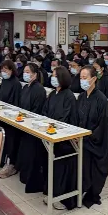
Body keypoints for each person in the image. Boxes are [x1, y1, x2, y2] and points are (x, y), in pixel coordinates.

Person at [68, 66, 108, 208]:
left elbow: (102, 127)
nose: (82, 81)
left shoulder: (101, 100)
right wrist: (75, 135)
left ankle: (83, 190)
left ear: (93, 79)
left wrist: (86, 138)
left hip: (94, 142)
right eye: (80, 78)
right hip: (80, 138)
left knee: (84, 155)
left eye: (85, 78)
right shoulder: (81, 96)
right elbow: (74, 118)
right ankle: (69, 190)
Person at [33, 67, 77, 199]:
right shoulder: (52, 94)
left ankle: (57, 190)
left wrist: (52, 126)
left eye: (55, 76)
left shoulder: (69, 96)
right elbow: (44, 111)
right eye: (52, 75)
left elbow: (66, 118)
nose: (52, 78)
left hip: (62, 137)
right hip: (48, 132)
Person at [14, 63, 49, 190]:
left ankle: (30, 175)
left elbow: (37, 110)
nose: (25, 74)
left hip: (32, 124)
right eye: (24, 71)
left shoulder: (39, 89)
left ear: (34, 74)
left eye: (28, 72)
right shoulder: (25, 87)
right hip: (23, 121)